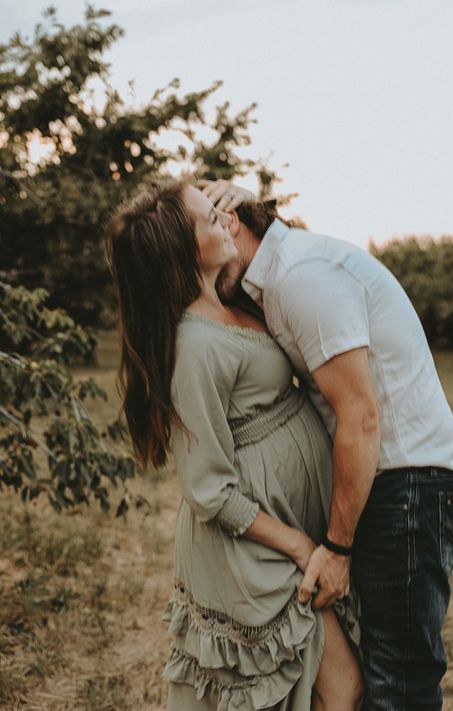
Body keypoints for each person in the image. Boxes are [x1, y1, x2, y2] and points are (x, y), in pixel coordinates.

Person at [198, 178, 453, 711]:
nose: (200, 278)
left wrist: (338, 548)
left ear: (231, 223)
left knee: (400, 683)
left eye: (197, 257)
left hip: (407, 483)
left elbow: (361, 417)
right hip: (393, 482)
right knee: (385, 668)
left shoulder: (303, 279)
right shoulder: (280, 275)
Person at [105, 180, 363, 711]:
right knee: (339, 687)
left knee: (315, 688)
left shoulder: (229, 298)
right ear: (182, 252)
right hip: (256, 550)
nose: (225, 221)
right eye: (208, 220)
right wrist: (296, 545)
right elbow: (207, 489)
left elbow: (283, 249)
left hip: (286, 524)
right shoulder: (195, 343)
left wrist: (246, 197)